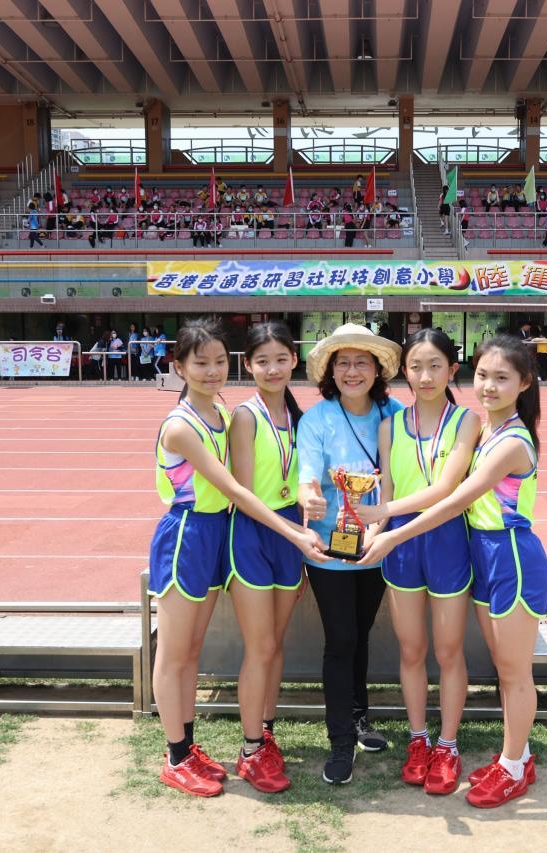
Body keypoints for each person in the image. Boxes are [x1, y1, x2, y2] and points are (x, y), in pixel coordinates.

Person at [358, 335, 547, 809]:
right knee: (498, 665)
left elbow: (453, 497)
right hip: (481, 550)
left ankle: (506, 763)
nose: (488, 386)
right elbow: (396, 484)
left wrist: (389, 526)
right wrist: (376, 527)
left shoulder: (503, 438)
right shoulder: (490, 431)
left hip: (507, 553)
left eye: (501, 377)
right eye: (484, 376)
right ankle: (513, 757)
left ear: (525, 383)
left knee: (512, 671)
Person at [149, 319, 324, 798]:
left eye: (219, 362)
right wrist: (295, 532)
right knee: (175, 653)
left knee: (193, 650)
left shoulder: (221, 414)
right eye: (200, 363)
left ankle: (189, 746)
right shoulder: (182, 426)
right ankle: (176, 755)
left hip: (217, 533)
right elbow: (235, 490)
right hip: (188, 533)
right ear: (179, 367)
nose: (211, 371)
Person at [353, 329, 480, 796]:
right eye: (416, 367)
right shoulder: (390, 426)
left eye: (435, 366)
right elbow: (386, 487)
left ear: (452, 369)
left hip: (446, 538)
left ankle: (447, 744)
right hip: (402, 546)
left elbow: (446, 489)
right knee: (411, 650)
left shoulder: (467, 420)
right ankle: (419, 738)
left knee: (448, 651)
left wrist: (384, 515)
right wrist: (372, 533)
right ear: (403, 372)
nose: (425, 376)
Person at [296, 323, 404, 785]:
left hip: (378, 546)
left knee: (359, 634)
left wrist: (380, 528)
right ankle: (340, 740)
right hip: (329, 550)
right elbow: (307, 476)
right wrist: (309, 497)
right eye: (343, 363)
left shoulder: (394, 414)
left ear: (378, 370)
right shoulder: (316, 419)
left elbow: (399, 477)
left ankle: (360, 718)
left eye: (362, 362)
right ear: (331, 371)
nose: (352, 371)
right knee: (340, 640)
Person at [226, 323, 308, 794]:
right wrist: (292, 532)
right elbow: (242, 493)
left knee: (274, 644)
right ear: (249, 365)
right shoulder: (245, 416)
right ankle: (250, 748)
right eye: (262, 361)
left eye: (280, 359)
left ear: (294, 360)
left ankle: (266, 732)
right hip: (255, 534)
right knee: (259, 647)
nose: (272, 369)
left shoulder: (298, 416)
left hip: (289, 532)